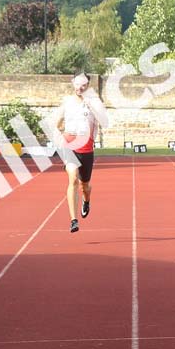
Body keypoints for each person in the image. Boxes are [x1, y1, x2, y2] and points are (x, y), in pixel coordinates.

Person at [53, 72, 107, 233]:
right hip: (69, 146)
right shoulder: (67, 103)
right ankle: (73, 220)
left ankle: (87, 200)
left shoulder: (94, 104)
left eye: (83, 84)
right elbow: (56, 124)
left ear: (88, 86)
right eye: (77, 83)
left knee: (85, 186)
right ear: (73, 83)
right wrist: (59, 139)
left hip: (86, 147)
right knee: (73, 179)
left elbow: (103, 122)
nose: (80, 87)